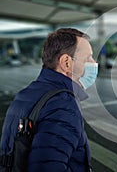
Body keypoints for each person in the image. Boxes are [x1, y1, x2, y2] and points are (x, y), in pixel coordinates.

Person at [0, 28, 98, 171]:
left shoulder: (26, 94)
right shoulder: (62, 104)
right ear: (66, 62)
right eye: (88, 57)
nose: (94, 62)